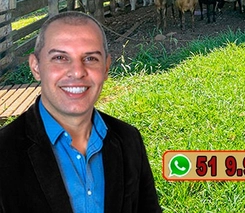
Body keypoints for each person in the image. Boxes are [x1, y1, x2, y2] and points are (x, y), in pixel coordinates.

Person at [0, 11, 162, 213]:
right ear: (36, 67)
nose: (77, 72)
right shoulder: (4, 151)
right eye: (60, 57)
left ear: (105, 68)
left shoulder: (129, 140)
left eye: (91, 58)